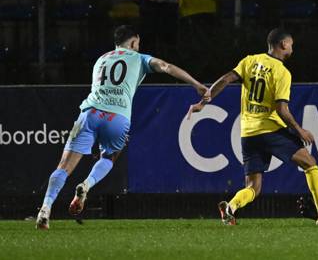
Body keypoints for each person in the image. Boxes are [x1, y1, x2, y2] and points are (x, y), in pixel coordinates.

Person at [36, 25, 209, 230]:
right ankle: (87, 185)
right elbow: (166, 66)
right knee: (109, 157)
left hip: (90, 113)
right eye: (138, 43)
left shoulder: (101, 59)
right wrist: (196, 84)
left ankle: (45, 209)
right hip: (117, 117)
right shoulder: (140, 58)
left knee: (63, 167)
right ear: (134, 42)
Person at [188, 28, 318, 225]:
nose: (292, 48)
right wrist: (300, 130)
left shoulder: (249, 60)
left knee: (253, 187)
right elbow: (281, 109)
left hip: (248, 133)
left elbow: (225, 79)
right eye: (291, 44)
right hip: (270, 129)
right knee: (310, 163)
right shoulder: (282, 72)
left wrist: (203, 103)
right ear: (283, 45)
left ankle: (230, 206)